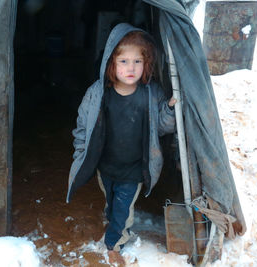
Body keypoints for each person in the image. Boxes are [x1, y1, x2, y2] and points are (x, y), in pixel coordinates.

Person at [66, 23, 176, 265]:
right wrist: (81, 153)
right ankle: (113, 222)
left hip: (134, 168)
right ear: (110, 63)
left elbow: (162, 127)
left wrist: (169, 108)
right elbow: (83, 126)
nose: (131, 68)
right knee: (111, 201)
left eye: (137, 61)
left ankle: (114, 242)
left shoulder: (150, 93)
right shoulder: (98, 93)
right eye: (123, 61)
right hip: (105, 165)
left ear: (146, 64)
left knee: (123, 209)